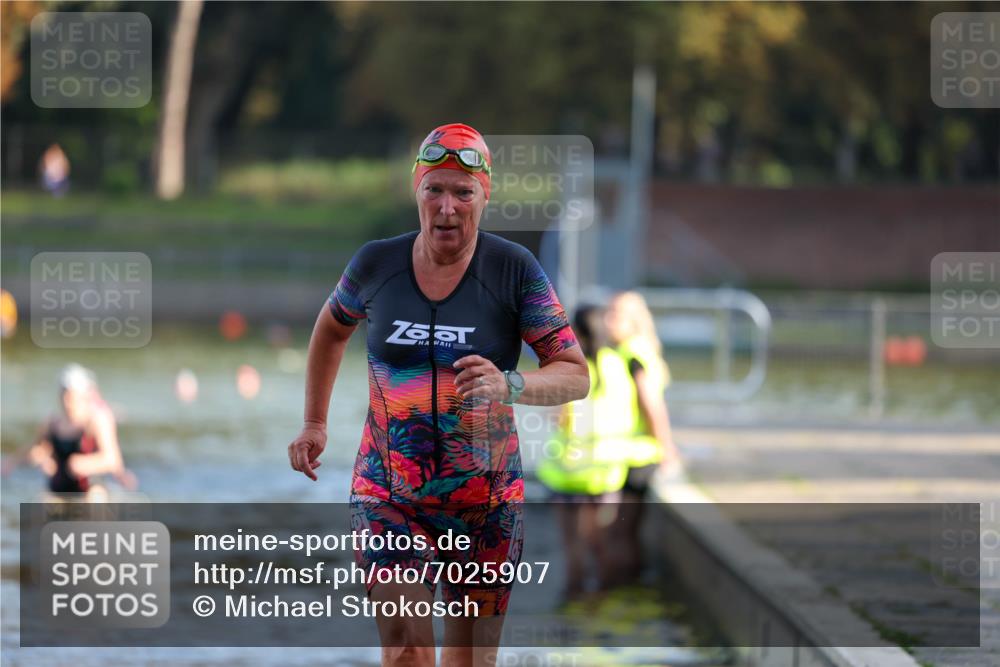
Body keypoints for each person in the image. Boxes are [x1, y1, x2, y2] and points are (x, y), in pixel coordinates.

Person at [287, 123, 589, 667]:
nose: (447, 207)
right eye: (435, 190)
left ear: (485, 195)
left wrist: (509, 384)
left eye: (462, 192)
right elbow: (331, 329)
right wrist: (314, 422)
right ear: (417, 191)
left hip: (486, 501)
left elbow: (574, 373)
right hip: (389, 491)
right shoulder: (375, 265)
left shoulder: (513, 270)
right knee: (406, 646)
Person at [537, 304, 634, 601]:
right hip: (606, 471)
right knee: (601, 541)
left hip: (568, 474)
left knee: (572, 544)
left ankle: (575, 596)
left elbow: (559, 417)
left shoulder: (570, 369)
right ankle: (602, 598)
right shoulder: (618, 363)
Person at [604, 291, 681, 583]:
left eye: (616, 315)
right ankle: (630, 587)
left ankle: (624, 589)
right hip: (634, 453)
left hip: (638, 456)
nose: (608, 320)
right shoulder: (636, 350)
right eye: (608, 313)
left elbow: (652, 404)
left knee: (621, 532)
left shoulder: (633, 354)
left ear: (633, 321)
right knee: (626, 531)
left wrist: (667, 447)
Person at [5, 364, 138, 500]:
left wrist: (85, 464)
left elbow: (112, 459)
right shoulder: (52, 423)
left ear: (83, 396)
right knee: (39, 506)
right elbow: (36, 448)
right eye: (65, 396)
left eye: (72, 397)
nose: (68, 403)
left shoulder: (97, 421)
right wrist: (13, 462)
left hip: (91, 487)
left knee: (95, 499)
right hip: (59, 485)